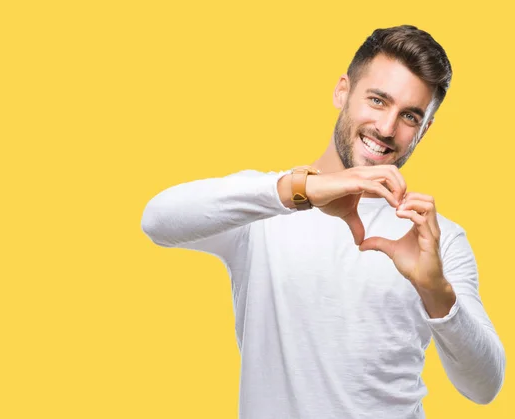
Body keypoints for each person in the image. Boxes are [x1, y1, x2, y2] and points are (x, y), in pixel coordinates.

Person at [140, 25, 505, 418]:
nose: (386, 129)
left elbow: (484, 387)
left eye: (410, 116)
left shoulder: (438, 239)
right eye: (378, 100)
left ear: (425, 130)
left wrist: (435, 291)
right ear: (342, 91)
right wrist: (302, 191)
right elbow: (157, 220)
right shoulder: (266, 205)